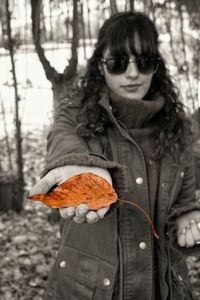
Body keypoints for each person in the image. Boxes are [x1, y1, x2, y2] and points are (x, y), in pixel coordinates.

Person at [29, 11, 200, 300]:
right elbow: (64, 141)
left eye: (144, 62)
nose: (132, 73)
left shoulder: (178, 128)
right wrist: (82, 167)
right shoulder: (75, 115)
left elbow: (182, 202)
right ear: (101, 66)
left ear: (156, 67)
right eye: (119, 62)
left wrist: (188, 217)